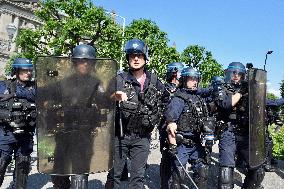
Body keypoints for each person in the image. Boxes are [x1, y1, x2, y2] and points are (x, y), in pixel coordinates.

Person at [45, 44, 110, 189]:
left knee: (79, 175)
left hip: (84, 136)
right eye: (81, 60)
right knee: (59, 175)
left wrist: (110, 98)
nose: (85, 64)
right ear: (75, 62)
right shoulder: (63, 83)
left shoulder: (96, 84)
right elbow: (47, 101)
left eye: (88, 61)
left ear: (93, 64)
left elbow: (104, 103)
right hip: (63, 134)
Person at [105, 38, 164, 189]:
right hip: (121, 135)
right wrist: (114, 96)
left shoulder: (155, 81)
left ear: (145, 57)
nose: (136, 59)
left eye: (139, 55)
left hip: (142, 137)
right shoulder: (119, 79)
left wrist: (169, 122)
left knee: (138, 178)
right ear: (128, 58)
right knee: (115, 175)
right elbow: (102, 97)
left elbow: (166, 102)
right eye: (132, 56)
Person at [216, 62, 266, 189]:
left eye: (240, 74)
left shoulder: (248, 90)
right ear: (228, 74)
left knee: (257, 171)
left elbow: (264, 103)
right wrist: (241, 93)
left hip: (245, 133)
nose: (236, 76)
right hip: (228, 132)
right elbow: (226, 104)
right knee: (226, 176)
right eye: (234, 73)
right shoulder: (222, 88)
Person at [165, 66, 215, 189]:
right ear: (184, 80)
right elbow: (170, 124)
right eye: (191, 79)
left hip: (197, 143)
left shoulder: (199, 98)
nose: (195, 81)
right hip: (182, 144)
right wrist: (172, 145)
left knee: (202, 173)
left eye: (196, 79)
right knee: (177, 176)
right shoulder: (179, 98)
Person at [0, 58, 36, 188]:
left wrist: (15, 94)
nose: (28, 73)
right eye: (24, 70)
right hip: (6, 134)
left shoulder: (35, 88)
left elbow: (39, 96)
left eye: (29, 70)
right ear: (16, 71)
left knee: (23, 167)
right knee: (1, 163)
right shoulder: (4, 86)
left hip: (26, 135)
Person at [159, 62, 186, 189]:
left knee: (179, 159)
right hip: (166, 127)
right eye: (180, 72)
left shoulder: (184, 90)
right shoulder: (165, 89)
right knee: (167, 157)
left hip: (181, 129)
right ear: (174, 73)